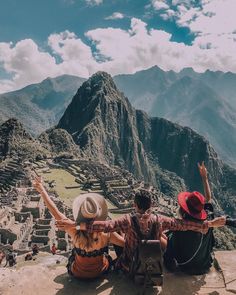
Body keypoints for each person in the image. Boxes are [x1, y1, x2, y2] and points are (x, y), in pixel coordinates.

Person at [56, 188, 226, 274]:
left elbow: (105, 226)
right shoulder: (161, 220)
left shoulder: (127, 220)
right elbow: (185, 224)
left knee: (118, 235)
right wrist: (208, 225)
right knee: (160, 236)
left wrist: (78, 226)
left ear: (135, 205)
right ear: (151, 206)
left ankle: (119, 264)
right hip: (152, 266)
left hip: (131, 266)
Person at [33, 176, 124, 279]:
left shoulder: (74, 230)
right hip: (100, 272)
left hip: (78, 274)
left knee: (74, 253)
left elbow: (55, 211)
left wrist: (42, 190)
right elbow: (125, 244)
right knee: (114, 237)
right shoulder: (106, 232)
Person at [163, 162, 223, 275]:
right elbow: (208, 199)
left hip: (185, 267)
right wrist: (205, 178)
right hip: (205, 265)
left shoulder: (180, 227)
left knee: (168, 236)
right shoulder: (209, 220)